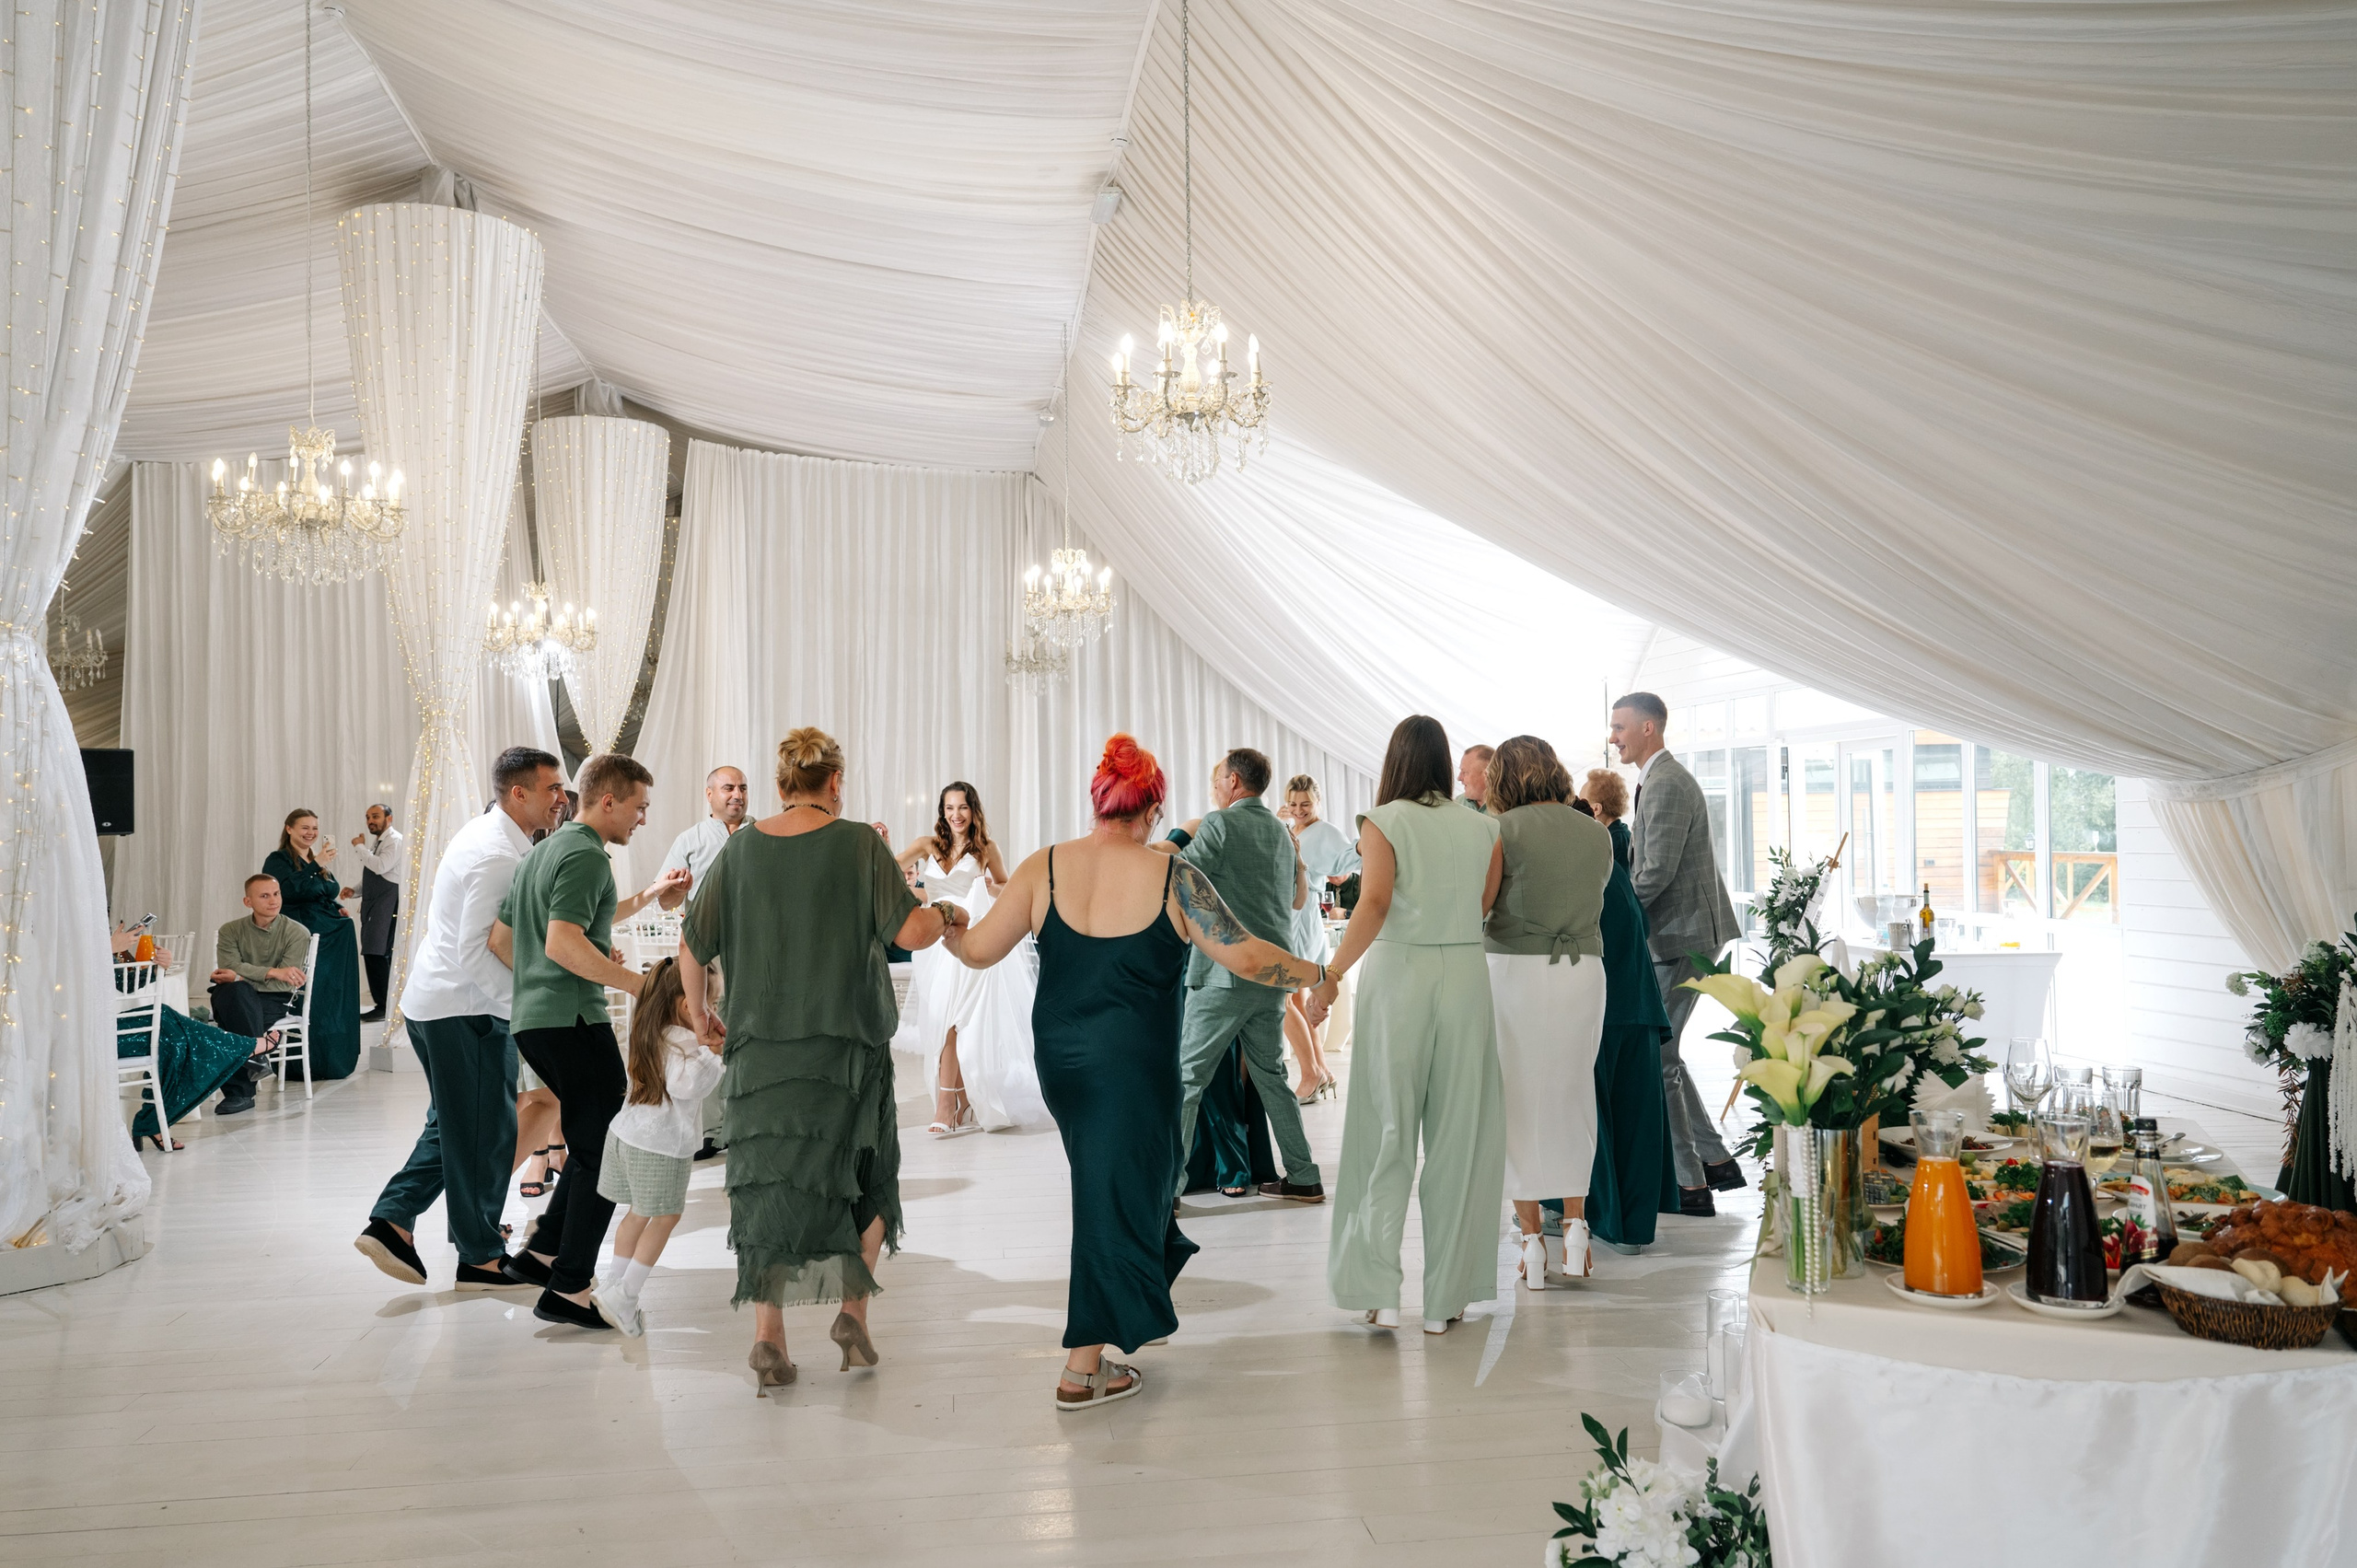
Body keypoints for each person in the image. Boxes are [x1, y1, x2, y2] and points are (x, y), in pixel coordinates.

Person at [943, 734, 1329, 1409]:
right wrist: (1318, 973)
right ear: (1152, 810)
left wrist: (947, 919)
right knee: (1113, 1198)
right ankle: (1080, 1369)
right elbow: (1245, 956)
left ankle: (1124, 1310)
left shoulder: (1044, 866)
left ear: (1098, 803)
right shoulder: (1173, 876)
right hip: (1131, 1066)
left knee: (1130, 1188)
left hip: (1062, 1062)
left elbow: (976, 950)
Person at [679, 728, 963, 1394]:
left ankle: (768, 1336)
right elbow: (911, 930)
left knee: (766, 1189)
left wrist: (698, 1014)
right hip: (848, 1052)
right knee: (868, 1177)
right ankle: (852, 1312)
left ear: (780, 784)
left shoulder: (740, 848)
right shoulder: (859, 843)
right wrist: (948, 909)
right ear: (834, 781)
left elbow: (692, 946)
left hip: (761, 1056)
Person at [1310, 715, 1504, 1335]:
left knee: (1385, 1130)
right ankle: (1446, 1298)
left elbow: (1373, 901)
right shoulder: (1485, 826)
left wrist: (1331, 974)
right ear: (1445, 762)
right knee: (1458, 1136)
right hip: (1465, 975)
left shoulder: (1383, 820)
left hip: (1399, 977)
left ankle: (1379, 1291)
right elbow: (1482, 904)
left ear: (1395, 760)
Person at [355, 747, 567, 1290]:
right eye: (552, 788)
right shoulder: (497, 855)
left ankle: (393, 1220)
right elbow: (478, 948)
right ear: (518, 793)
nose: (561, 798)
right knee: (485, 1133)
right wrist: (525, 1008)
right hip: (464, 1009)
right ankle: (479, 1257)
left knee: (454, 1125)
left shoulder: (494, 836)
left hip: (443, 1002)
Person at [493, 753, 691, 1330]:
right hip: (573, 1020)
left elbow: (505, 940)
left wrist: (646, 896)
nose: (642, 819)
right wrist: (639, 985)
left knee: (589, 1144)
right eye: (639, 807)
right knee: (605, 1150)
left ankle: (543, 1254)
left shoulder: (544, 852)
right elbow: (562, 942)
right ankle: (570, 1287)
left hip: (536, 1019)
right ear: (609, 801)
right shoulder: (585, 856)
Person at [1156, 748, 1322, 1204]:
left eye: (1217, 780)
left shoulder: (1220, 824)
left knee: (1187, 1079)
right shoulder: (1283, 832)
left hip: (1223, 975)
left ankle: (1167, 1190)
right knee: (1273, 1078)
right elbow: (1297, 900)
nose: (1215, 788)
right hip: (1272, 978)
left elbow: (1178, 877)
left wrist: (1173, 839)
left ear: (1233, 781)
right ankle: (1304, 1176)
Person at [1482, 737, 1611, 1287]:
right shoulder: (1596, 832)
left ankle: (1532, 1242)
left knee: (1514, 1099)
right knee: (1572, 1091)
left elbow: (1481, 906)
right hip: (1582, 971)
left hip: (1514, 971)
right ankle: (1577, 1230)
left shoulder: (1500, 830)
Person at [1612, 692, 1745, 1216]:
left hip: (1682, 936)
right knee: (1663, 1051)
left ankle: (1690, 1186)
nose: (1613, 737)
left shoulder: (1666, 782)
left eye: (1620, 727)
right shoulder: (1659, 778)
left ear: (1649, 728)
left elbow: (1655, 873)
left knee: (1658, 1055)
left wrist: (1613, 916)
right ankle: (1714, 1163)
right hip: (1680, 934)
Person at [895, 782, 1044, 1133]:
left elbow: (1007, 887)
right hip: (933, 944)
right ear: (942, 812)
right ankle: (962, 1101)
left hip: (970, 936)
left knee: (954, 1019)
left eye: (962, 807)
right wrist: (917, 894)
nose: (956, 815)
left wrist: (987, 887)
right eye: (949, 808)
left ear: (973, 810)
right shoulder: (927, 845)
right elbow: (888, 867)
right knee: (943, 1020)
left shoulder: (986, 848)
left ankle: (945, 1106)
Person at [1572, 772, 1679, 1249]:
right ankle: (1632, 1229)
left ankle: (1598, 1218)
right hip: (1635, 997)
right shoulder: (1608, 859)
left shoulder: (1585, 863)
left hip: (1608, 1002)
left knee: (1596, 1114)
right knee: (1635, 1117)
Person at [591, 958, 725, 1337]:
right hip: (660, 1145)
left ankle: (614, 1285)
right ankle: (626, 1294)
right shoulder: (685, 1041)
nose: (715, 1012)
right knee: (665, 1218)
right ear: (688, 1005)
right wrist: (714, 1054)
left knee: (637, 1214)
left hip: (628, 1135)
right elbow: (688, 1086)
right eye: (712, 1003)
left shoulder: (650, 1030)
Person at [262, 810, 362, 1078]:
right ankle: (304, 1062)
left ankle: (335, 1058)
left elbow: (323, 892)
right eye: (305, 827)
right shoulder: (278, 859)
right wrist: (315, 864)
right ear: (289, 829)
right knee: (311, 995)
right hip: (305, 935)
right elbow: (286, 892)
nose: (311, 833)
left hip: (335, 937)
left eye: (315, 828)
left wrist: (336, 906)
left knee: (334, 995)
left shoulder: (316, 860)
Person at [1279, 773, 1358, 1103]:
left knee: (1283, 997)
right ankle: (1320, 1071)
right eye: (1293, 804)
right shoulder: (1292, 828)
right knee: (1295, 999)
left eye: (1306, 804)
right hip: (1289, 915)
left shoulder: (1324, 831)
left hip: (1302, 916)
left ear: (1318, 803)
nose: (1299, 810)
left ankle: (1312, 1074)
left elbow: (1353, 857)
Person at [205, 872, 312, 1114]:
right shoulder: (230, 930)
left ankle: (240, 1092)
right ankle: (259, 1049)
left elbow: (285, 985)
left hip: (273, 998)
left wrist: (241, 977)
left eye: (276, 894)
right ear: (248, 902)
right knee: (235, 993)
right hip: (231, 994)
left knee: (233, 1018)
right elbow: (228, 968)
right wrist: (273, 972)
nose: (273, 901)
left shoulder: (297, 933)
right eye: (264, 896)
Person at [349, 804, 407, 1022]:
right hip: (376, 903)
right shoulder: (380, 841)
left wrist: (359, 847)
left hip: (387, 903)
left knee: (378, 953)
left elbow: (381, 866)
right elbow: (375, 872)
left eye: (375, 816)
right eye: (368, 817)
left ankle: (385, 1006)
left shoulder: (395, 840)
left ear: (389, 818)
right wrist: (355, 891)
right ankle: (383, 1004)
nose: (370, 821)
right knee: (373, 952)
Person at [657, 764, 749, 899]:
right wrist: (678, 891)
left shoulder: (764, 833)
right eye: (729, 788)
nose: (738, 795)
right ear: (709, 794)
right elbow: (665, 902)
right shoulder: (688, 840)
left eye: (743, 789)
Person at [1457, 744, 1494, 813]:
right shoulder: (1458, 802)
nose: (1459, 778)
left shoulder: (1507, 810)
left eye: (1465, 772)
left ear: (1487, 774)